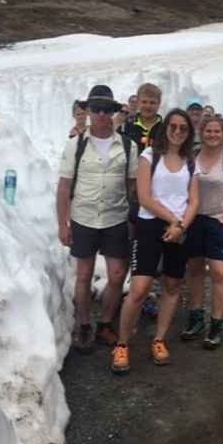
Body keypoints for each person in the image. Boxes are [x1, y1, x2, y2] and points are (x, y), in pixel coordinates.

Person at [111, 110, 200, 374]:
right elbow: (145, 196)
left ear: (188, 132)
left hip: (180, 226)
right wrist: (174, 221)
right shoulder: (149, 156)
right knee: (139, 287)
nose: (177, 132)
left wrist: (181, 225)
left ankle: (159, 339)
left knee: (172, 285)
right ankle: (122, 343)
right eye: (173, 126)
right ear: (165, 128)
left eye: (183, 128)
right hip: (151, 224)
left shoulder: (190, 162)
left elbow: (194, 200)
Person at [56, 85, 138, 353]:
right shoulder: (75, 145)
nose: (101, 114)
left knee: (117, 274)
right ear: (88, 111)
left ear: (113, 112)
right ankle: (83, 324)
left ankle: (104, 322)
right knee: (84, 274)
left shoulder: (128, 145)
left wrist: (134, 220)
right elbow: (65, 186)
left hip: (116, 217)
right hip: (84, 217)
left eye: (106, 109)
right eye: (96, 109)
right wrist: (62, 223)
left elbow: (133, 186)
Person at [181, 115, 223, 348]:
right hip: (194, 220)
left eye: (217, 131)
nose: (212, 135)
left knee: (219, 273)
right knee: (195, 269)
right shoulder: (191, 158)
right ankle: (196, 317)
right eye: (208, 130)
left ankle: (217, 322)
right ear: (202, 132)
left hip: (218, 221)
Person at [124, 83, 163, 154]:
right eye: (144, 102)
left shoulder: (165, 128)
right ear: (138, 102)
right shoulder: (126, 126)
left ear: (159, 104)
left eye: (152, 103)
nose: (148, 106)